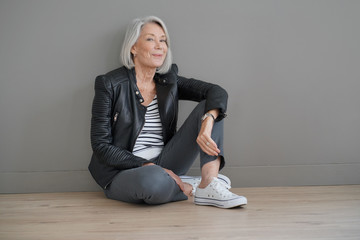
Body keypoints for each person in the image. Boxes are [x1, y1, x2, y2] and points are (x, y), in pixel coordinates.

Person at [88, 16, 247, 209]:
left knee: (212, 107)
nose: (159, 46)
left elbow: (216, 92)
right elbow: (101, 145)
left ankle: (208, 183)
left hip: (168, 160)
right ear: (133, 47)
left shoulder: (168, 81)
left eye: (162, 40)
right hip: (124, 171)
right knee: (151, 184)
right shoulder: (110, 84)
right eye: (150, 39)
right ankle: (187, 185)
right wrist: (150, 167)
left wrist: (207, 121)